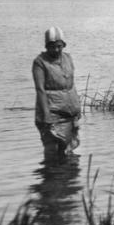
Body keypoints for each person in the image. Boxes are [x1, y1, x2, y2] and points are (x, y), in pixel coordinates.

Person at [32, 27, 81, 158]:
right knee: (52, 150)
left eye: (59, 46)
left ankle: (66, 177)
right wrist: (46, 115)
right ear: (46, 46)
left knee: (68, 150)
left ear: (63, 45)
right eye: (52, 46)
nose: (56, 50)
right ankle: (52, 176)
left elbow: (71, 84)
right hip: (52, 114)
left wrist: (77, 109)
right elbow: (40, 89)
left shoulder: (68, 58)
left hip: (69, 114)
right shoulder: (40, 62)